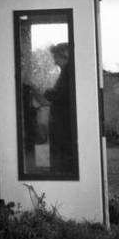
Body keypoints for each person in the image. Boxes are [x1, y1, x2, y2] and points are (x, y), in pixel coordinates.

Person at [46, 42, 74, 173]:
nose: (55, 61)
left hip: (63, 120)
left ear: (64, 56)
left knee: (62, 150)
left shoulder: (69, 73)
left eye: (56, 57)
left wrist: (48, 93)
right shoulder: (66, 72)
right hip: (62, 118)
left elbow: (62, 95)